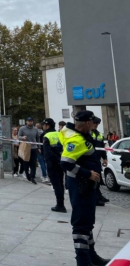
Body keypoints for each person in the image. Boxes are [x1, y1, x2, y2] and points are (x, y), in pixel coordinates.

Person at [60, 111, 109, 266]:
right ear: (87, 123)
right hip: (80, 186)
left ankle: (91, 256)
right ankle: (82, 260)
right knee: (81, 224)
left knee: (87, 223)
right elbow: (66, 163)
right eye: (93, 123)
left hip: (86, 186)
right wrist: (87, 173)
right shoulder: (76, 139)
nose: (94, 125)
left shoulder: (81, 136)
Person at [42, 118, 66, 213]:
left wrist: (55, 160)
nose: (43, 126)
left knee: (56, 185)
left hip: (52, 163)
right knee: (60, 183)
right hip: (61, 162)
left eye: (44, 125)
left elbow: (48, 153)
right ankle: (61, 203)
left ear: (47, 126)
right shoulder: (59, 134)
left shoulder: (46, 136)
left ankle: (60, 205)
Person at [91, 117, 109, 207]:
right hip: (90, 160)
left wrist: (104, 158)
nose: (95, 125)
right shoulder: (88, 133)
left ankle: (98, 197)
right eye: (94, 123)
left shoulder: (99, 135)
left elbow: (102, 148)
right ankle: (97, 197)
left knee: (97, 179)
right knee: (93, 180)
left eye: (97, 124)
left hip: (97, 160)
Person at [18, 117, 40, 184]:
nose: (30, 122)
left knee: (33, 163)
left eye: (31, 121)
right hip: (26, 148)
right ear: (26, 122)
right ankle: (27, 175)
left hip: (34, 148)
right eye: (29, 121)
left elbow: (38, 139)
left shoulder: (35, 129)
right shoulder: (22, 129)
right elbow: (18, 137)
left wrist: (38, 147)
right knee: (26, 162)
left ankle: (32, 177)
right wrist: (22, 137)